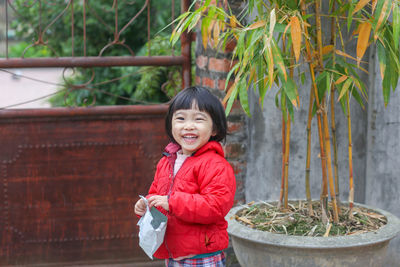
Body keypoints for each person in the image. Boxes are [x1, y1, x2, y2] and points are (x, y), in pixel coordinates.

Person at [134, 86, 236, 267]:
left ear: (214, 129)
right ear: (171, 125)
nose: (188, 125)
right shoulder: (166, 162)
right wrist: (147, 204)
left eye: (199, 119)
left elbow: (215, 207)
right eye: (180, 118)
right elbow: (158, 195)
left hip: (202, 255)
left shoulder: (215, 165)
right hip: (173, 253)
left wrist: (172, 202)